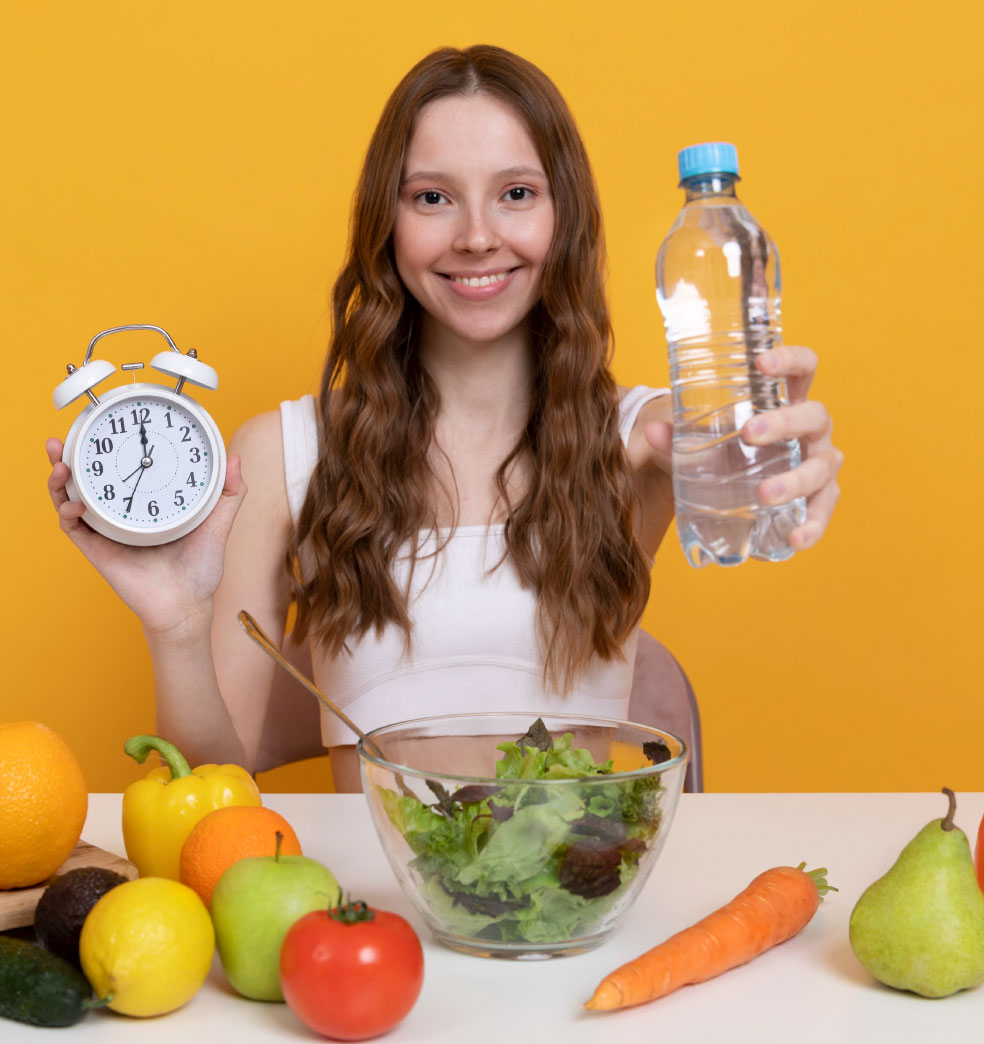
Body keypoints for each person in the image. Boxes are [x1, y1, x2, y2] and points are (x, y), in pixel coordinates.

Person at [45, 45, 842, 792]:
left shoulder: (638, 443)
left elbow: (737, 451)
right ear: (386, 225)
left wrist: (781, 461)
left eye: (516, 194)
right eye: (433, 197)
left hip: (573, 911)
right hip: (369, 921)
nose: (477, 236)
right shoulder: (284, 455)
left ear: (564, 218)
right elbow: (206, 787)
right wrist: (177, 623)